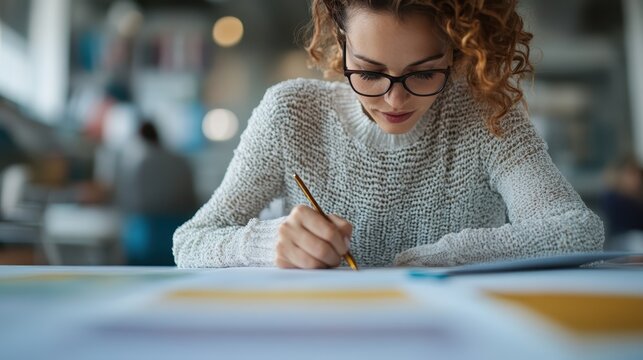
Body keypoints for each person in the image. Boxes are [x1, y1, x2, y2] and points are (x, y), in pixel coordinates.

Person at [173, 0, 604, 269]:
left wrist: (444, 257)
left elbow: (575, 229)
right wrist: (268, 243)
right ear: (341, 44)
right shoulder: (292, 113)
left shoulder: (485, 111)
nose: (394, 101)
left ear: (455, 52)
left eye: (424, 72)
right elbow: (190, 242)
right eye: (370, 72)